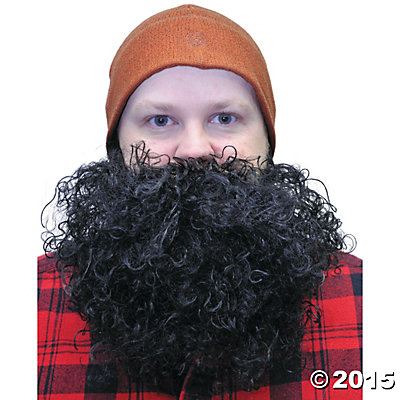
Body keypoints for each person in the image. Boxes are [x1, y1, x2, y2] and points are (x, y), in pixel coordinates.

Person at [38, 4, 362, 399]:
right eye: (160, 120)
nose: (194, 150)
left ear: (267, 142)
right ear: (117, 148)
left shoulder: (367, 301)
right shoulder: (30, 303)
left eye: (224, 118)